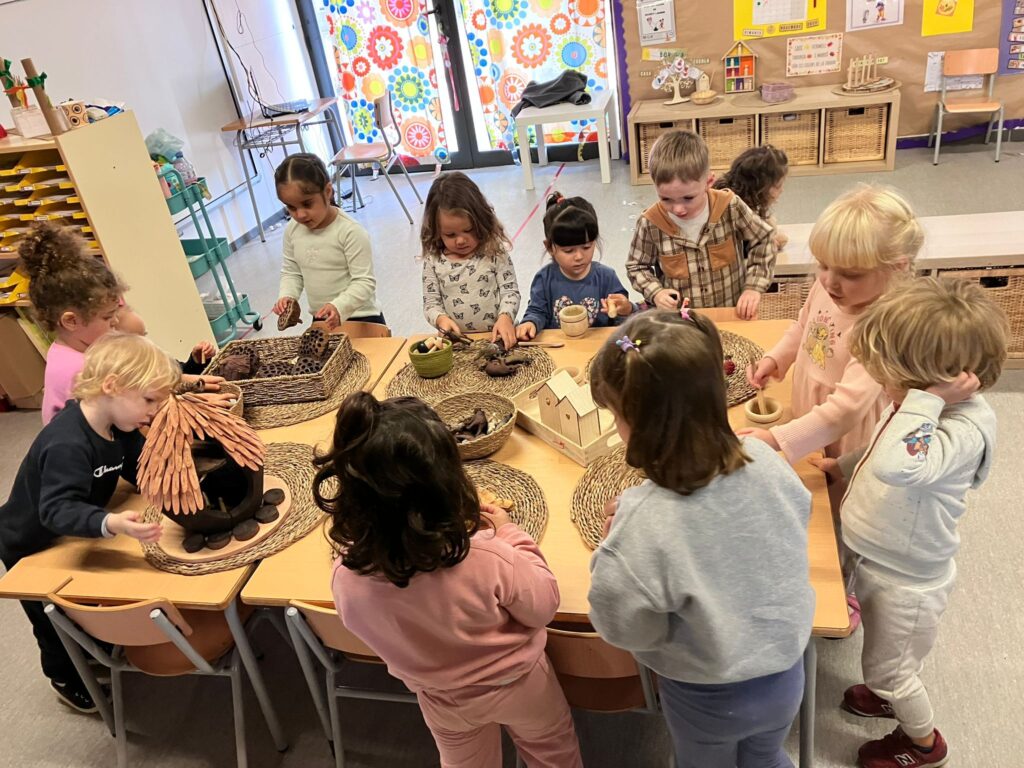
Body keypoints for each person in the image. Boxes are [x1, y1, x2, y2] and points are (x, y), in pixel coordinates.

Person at [587, 309, 814, 768]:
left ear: (639, 426)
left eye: (615, 416)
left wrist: (616, 545)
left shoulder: (641, 527)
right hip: (787, 676)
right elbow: (794, 523)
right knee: (766, 757)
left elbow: (623, 627)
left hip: (705, 697)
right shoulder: (765, 459)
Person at [315, 392, 582, 768]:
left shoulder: (345, 579)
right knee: (553, 755)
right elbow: (543, 606)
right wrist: (510, 532)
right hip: (521, 685)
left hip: (443, 700)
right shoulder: (484, 555)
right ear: (446, 485)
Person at [817, 278, 1006, 768]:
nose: (883, 389)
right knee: (882, 652)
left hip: (907, 581)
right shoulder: (915, 410)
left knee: (894, 670)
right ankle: (885, 691)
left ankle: (922, 743)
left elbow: (896, 464)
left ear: (936, 383)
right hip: (880, 555)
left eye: (889, 379)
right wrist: (843, 465)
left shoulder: (959, 429)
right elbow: (881, 446)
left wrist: (926, 401)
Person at [0, 333, 176, 713]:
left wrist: (167, 481)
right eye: (149, 400)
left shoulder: (119, 425)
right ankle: (63, 676)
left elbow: (137, 466)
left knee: (87, 600)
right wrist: (109, 522)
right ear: (111, 386)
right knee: (52, 619)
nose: (153, 411)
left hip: (72, 530)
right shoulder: (68, 443)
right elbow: (55, 510)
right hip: (29, 541)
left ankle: (93, 640)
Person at [741, 185, 924, 465]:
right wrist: (776, 358)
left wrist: (776, 439)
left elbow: (846, 410)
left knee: (832, 486)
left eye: (850, 274)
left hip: (848, 436)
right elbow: (804, 328)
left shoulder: (884, 328)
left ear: (897, 267)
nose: (829, 281)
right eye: (823, 265)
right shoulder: (828, 289)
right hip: (812, 416)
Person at [625, 130, 776, 320]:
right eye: (666, 199)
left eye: (688, 198)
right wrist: (656, 292)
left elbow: (764, 238)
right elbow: (636, 266)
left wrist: (753, 287)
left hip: (730, 314)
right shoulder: (650, 223)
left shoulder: (729, 206)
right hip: (681, 322)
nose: (678, 209)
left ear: (709, 182)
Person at [20, 222, 125, 425]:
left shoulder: (71, 348)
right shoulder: (81, 371)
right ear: (71, 321)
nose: (116, 321)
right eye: (107, 317)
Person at [271, 153, 384, 330]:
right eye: (291, 207)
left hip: (362, 319)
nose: (300, 214)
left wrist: (338, 307)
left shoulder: (350, 231)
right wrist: (287, 295)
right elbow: (292, 272)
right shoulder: (292, 230)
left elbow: (364, 282)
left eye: (307, 204)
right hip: (322, 319)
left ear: (328, 191)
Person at [420, 171, 521, 349]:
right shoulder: (433, 260)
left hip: (497, 339)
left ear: (481, 221)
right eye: (450, 234)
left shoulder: (494, 251)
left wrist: (506, 317)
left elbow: (510, 291)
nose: (460, 240)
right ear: (436, 230)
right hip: (457, 344)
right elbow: (431, 304)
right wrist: (441, 320)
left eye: (468, 230)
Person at [516, 192, 634, 340]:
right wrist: (530, 323)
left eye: (586, 247)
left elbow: (621, 322)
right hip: (559, 347)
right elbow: (537, 311)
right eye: (568, 250)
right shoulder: (544, 279)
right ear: (550, 247)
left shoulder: (606, 277)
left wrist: (626, 309)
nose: (579, 257)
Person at [713, 145, 790, 250]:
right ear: (760, 188)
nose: (782, 190)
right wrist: (770, 243)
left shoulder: (736, 195)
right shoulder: (733, 210)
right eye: (778, 186)